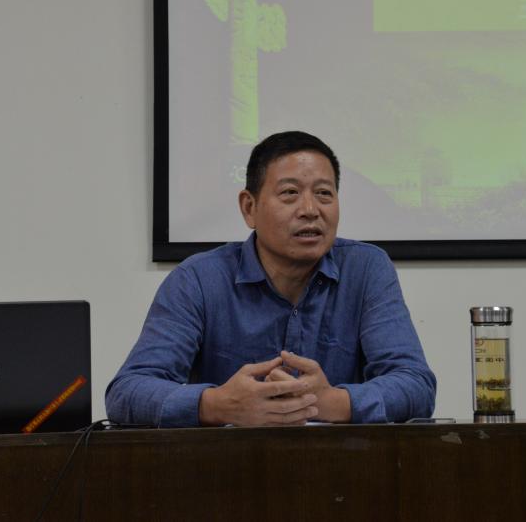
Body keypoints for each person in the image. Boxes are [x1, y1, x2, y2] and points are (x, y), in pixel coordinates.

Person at [105, 131, 436, 427]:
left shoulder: (366, 270)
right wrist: (219, 405)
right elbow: (128, 392)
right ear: (249, 208)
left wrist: (333, 402)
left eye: (324, 193)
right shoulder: (198, 280)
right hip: (227, 468)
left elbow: (415, 384)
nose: (310, 209)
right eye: (290, 193)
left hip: (341, 466)